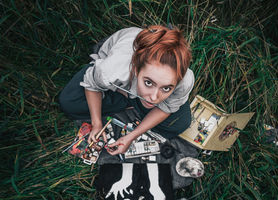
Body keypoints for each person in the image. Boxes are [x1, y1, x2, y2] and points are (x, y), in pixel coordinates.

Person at [59, 25, 194, 156]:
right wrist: (97, 123)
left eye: (166, 88)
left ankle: (125, 100)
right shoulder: (112, 69)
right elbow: (92, 85)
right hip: (113, 77)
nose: (154, 97)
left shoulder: (185, 80)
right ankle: (123, 98)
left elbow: (166, 108)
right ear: (136, 68)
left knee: (181, 123)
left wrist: (132, 136)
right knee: (69, 102)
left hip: (130, 93)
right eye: (148, 82)